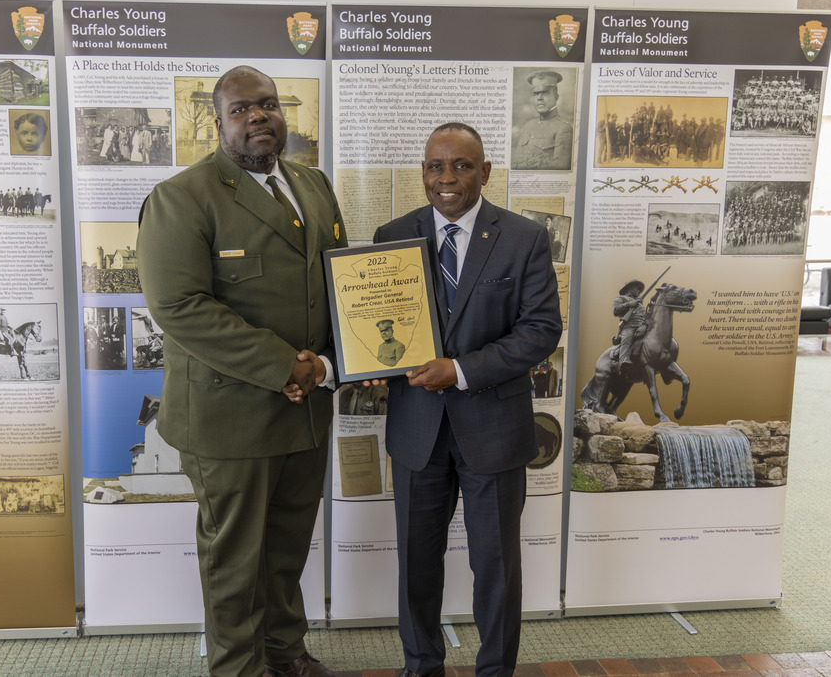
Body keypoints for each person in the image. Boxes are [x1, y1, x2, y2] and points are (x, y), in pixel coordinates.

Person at [137, 65, 346, 677]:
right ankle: (237, 668)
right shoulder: (182, 196)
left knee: (285, 551)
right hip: (229, 417)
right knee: (234, 561)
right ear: (218, 120)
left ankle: (284, 654)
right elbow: (179, 308)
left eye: (269, 105)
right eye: (241, 109)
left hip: (305, 411)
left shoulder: (313, 185)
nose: (258, 117)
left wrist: (338, 362)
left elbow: (336, 286)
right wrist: (288, 364)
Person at [372, 123, 561, 677]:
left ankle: (495, 670)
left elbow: (540, 330)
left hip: (494, 431)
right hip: (417, 432)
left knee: (496, 567)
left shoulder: (524, 237)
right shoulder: (392, 235)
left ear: (485, 171)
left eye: (461, 166)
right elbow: (376, 320)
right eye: (435, 166)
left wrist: (458, 370)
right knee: (417, 566)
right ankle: (421, 667)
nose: (446, 178)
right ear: (423, 172)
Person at [512, 70, 573, 170]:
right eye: (536, 93)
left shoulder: (564, 128)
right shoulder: (528, 125)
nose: (539, 98)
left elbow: (558, 172)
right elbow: (516, 164)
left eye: (545, 93)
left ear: (556, 96)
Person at [611, 279, 646, 372]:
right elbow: (615, 311)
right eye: (637, 289)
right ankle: (623, 361)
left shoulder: (639, 303)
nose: (639, 291)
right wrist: (629, 304)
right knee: (627, 338)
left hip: (642, 326)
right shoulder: (621, 298)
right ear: (630, 289)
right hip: (629, 326)